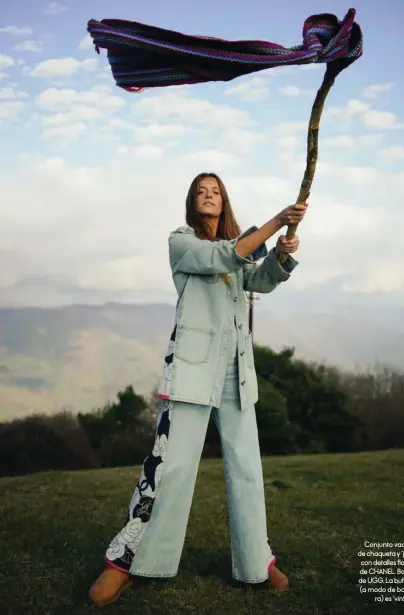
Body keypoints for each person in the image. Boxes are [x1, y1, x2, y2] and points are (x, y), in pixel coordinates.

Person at [89, 172, 307, 607]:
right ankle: (126, 562)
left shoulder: (239, 249)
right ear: (192, 202)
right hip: (190, 370)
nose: (209, 196)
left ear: (224, 202)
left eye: (216, 192)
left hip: (236, 373)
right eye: (201, 192)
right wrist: (277, 222)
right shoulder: (181, 241)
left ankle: (256, 564)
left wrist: (281, 255)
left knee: (247, 470)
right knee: (169, 468)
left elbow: (257, 281)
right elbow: (221, 257)